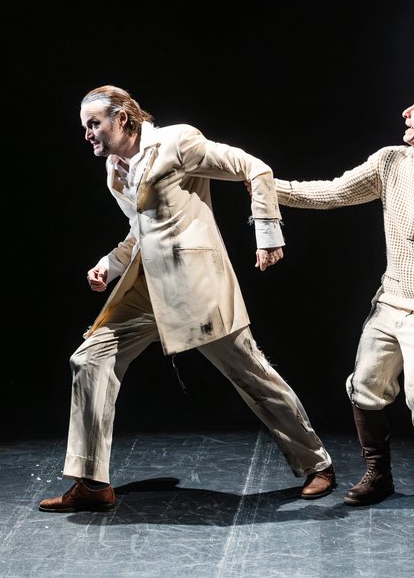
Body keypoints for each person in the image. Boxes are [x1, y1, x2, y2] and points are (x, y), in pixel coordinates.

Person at [38, 85, 335, 513]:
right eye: (85, 126)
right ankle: (91, 483)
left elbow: (254, 168)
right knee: (89, 360)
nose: (87, 133)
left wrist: (268, 233)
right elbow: (140, 231)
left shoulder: (176, 142)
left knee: (252, 375)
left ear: (122, 119)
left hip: (195, 286)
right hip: (146, 288)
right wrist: (110, 264)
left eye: (93, 123)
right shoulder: (114, 171)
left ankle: (317, 463)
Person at [272, 83, 414, 515]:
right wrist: (268, 188)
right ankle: (378, 476)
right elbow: (334, 192)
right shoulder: (391, 161)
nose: (407, 112)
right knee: (365, 387)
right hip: (391, 300)